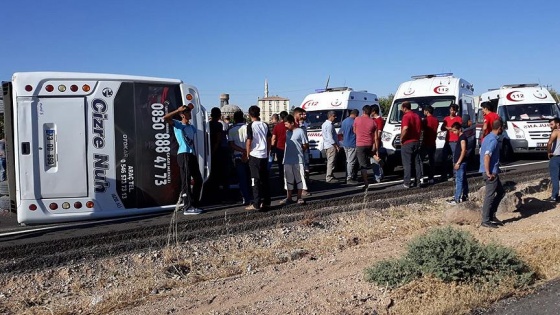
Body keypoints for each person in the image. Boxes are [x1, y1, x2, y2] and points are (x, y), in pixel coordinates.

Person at [163, 104, 203, 215]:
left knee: (198, 180)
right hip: (183, 154)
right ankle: (187, 207)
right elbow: (165, 118)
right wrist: (177, 110)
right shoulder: (178, 124)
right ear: (182, 115)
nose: (189, 114)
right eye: (187, 112)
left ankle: (193, 203)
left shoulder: (192, 127)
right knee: (186, 180)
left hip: (192, 154)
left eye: (190, 112)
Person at [479, 119, 505, 228]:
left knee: (501, 192)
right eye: (502, 127)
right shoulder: (493, 141)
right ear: (499, 128)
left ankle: (491, 215)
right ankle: (486, 220)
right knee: (489, 196)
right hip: (490, 174)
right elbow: (486, 156)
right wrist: (489, 172)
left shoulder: (487, 138)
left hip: (490, 172)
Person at [245, 105, 272, 211]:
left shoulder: (250, 125)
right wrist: (268, 151)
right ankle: (267, 201)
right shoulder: (265, 125)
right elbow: (269, 139)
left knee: (255, 179)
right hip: (264, 155)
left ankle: (256, 203)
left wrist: (247, 153)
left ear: (250, 114)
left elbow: (249, 141)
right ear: (259, 113)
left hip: (254, 155)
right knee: (265, 179)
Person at [280, 114, 309, 205]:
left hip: (298, 160)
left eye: (287, 124)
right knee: (288, 179)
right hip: (287, 160)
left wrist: (301, 151)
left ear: (292, 123)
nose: (285, 126)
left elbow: (305, 144)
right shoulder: (287, 133)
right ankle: (289, 197)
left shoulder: (300, 131)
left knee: (299, 178)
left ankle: (299, 197)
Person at [228, 110, 252, 206]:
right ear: (243, 117)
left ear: (234, 119)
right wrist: (246, 151)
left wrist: (242, 151)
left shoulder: (231, 130)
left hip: (238, 156)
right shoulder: (248, 128)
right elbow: (251, 141)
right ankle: (252, 196)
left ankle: (245, 198)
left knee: (242, 178)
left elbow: (231, 144)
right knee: (250, 177)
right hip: (249, 155)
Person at [353, 105, 379, 190]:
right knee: (370, 154)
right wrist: (375, 146)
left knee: (363, 165)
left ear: (363, 111)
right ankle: (376, 157)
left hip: (360, 144)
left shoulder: (357, 119)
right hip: (369, 143)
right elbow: (375, 137)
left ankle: (366, 184)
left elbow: (354, 131)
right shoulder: (373, 122)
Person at [208, 107, 230, 201]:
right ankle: (225, 194)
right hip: (218, 151)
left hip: (209, 150)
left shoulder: (207, 124)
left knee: (213, 173)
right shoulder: (219, 125)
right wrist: (214, 150)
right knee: (222, 172)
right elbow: (218, 139)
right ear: (219, 115)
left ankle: (212, 192)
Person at [400, 101, 423, 188]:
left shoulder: (406, 116)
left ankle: (407, 182)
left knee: (407, 163)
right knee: (417, 162)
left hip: (408, 142)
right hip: (416, 141)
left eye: (402, 108)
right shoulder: (417, 116)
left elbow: (405, 128)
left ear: (405, 108)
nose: (401, 110)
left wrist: (401, 138)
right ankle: (418, 181)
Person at [447, 122, 469, 205]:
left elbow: (463, 150)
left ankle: (457, 198)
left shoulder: (462, 138)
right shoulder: (461, 137)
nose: (453, 132)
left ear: (459, 129)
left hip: (461, 163)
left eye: (455, 130)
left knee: (459, 180)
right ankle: (464, 196)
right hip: (460, 162)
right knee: (463, 180)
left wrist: (458, 162)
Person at [441, 104, 463, 180]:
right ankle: (444, 174)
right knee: (444, 158)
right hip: (447, 140)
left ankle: (455, 174)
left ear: (456, 111)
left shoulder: (458, 119)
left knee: (455, 158)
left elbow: (456, 128)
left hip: (455, 141)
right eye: (451, 110)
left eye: (454, 110)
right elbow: (443, 127)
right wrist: (448, 128)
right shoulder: (446, 118)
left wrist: (449, 128)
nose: (452, 111)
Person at [293, 107, 311, 196]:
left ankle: (305, 186)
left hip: (305, 149)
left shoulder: (304, 125)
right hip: (298, 150)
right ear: (296, 115)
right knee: (300, 170)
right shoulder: (294, 126)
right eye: (300, 114)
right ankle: (302, 189)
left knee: (306, 168)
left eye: (303, 114)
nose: (303, 116)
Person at [339, 109, 358, 184]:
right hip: (352, 143)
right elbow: (355, 132)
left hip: (345, 143)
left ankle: (347, 175)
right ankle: (349, 178)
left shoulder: (344, 121)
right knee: (351, 161)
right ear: (356, 115)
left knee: (347, 161)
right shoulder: (354, 122)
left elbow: (342, 132)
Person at [421, 105, 438, 184]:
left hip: (425, 142)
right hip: (433, 142)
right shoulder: (436, 120)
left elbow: (422, 130)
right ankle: (431, 177)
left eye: (424, 110)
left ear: (427, 111)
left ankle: (421, 177)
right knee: (432, 160)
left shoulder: (425, 120)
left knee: (420, 160)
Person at [321, 110, 340, 182]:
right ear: (331, 116)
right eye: (334, 116)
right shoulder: (329, 125)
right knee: (331, 162)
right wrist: (336, 145)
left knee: (331, 161)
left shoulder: (324, 124)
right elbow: (330, 137)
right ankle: (329, 177)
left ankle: (331, 175)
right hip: (331, 146)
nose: (335, 118)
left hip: (327, 145)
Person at [546, 117, 560, 202]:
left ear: (558, 124)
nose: (550, 126)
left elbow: (549, 143)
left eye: (552, 124)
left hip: (556, 157)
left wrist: (548, 152)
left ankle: (554, 196)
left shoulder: (556, 131)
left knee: (555, 177)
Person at [271, 111, 289, 178]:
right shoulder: (291, 125)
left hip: (279, 148)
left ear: (280, 117)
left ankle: (282, 179)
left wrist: (272, 148)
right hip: (289, 148)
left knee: (281, 165)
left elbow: (274, 138)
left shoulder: (277, 126)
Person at [370, 105, 384, 183]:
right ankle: (380, 174)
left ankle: (377, 176)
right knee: (375, 158)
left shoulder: (379, 120)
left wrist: (375, 143)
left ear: (374, 111)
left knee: (374, 159)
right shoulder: (373, 119)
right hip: (373, 141)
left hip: (375, 142)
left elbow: (378, 133)